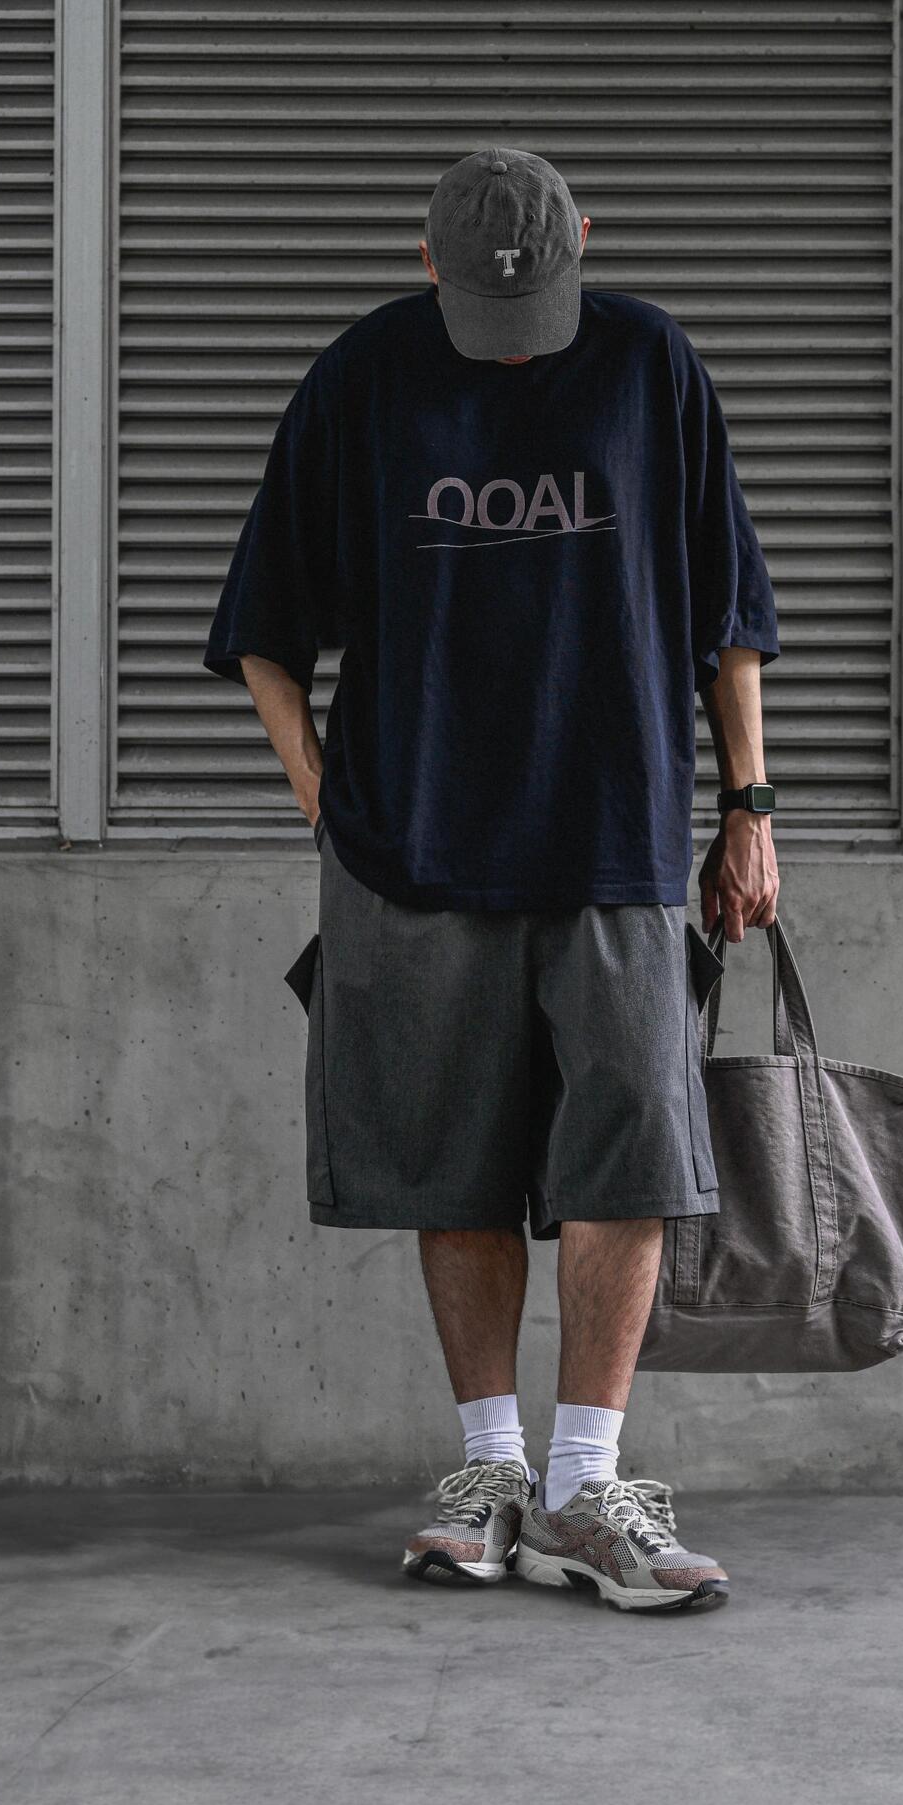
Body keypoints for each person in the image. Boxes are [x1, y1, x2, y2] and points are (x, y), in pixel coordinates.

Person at [203, 146, 779, 1614]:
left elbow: (727, 611)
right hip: (414, 850)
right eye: (482, 313)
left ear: (585, 237)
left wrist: (749, 805)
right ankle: (491, 1478)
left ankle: (586, 1490)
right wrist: (320, 789)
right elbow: (263, 617)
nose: (513, 344)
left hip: (616, 835)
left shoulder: (649, 365)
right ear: (426, 265)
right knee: (449, 1162)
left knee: (629, 1159)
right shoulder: (363, 378)